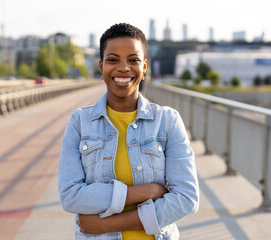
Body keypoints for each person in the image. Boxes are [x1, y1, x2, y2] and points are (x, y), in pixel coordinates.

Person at [58, 23, 199, 240]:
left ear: (144, 67)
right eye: (113, 60)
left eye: (133, 60)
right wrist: (147, 191)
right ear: (101, 65)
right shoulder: (80, 122)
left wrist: (110, 224)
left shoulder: (168, 121)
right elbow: (71, 196)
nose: (123, 68)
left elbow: (187, 199)